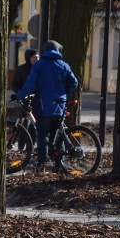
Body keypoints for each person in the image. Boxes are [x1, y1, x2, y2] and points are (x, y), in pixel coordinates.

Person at [13, 40, 78, 172]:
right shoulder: (64, 65)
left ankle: (41, 164)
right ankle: (59, 164)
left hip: (43, 106)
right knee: (59, 135)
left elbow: (30, 84)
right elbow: (74, 83)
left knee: (43, 136)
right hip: (59, 105)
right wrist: (63, 92)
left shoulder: (39, 65)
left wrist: (18, 96)